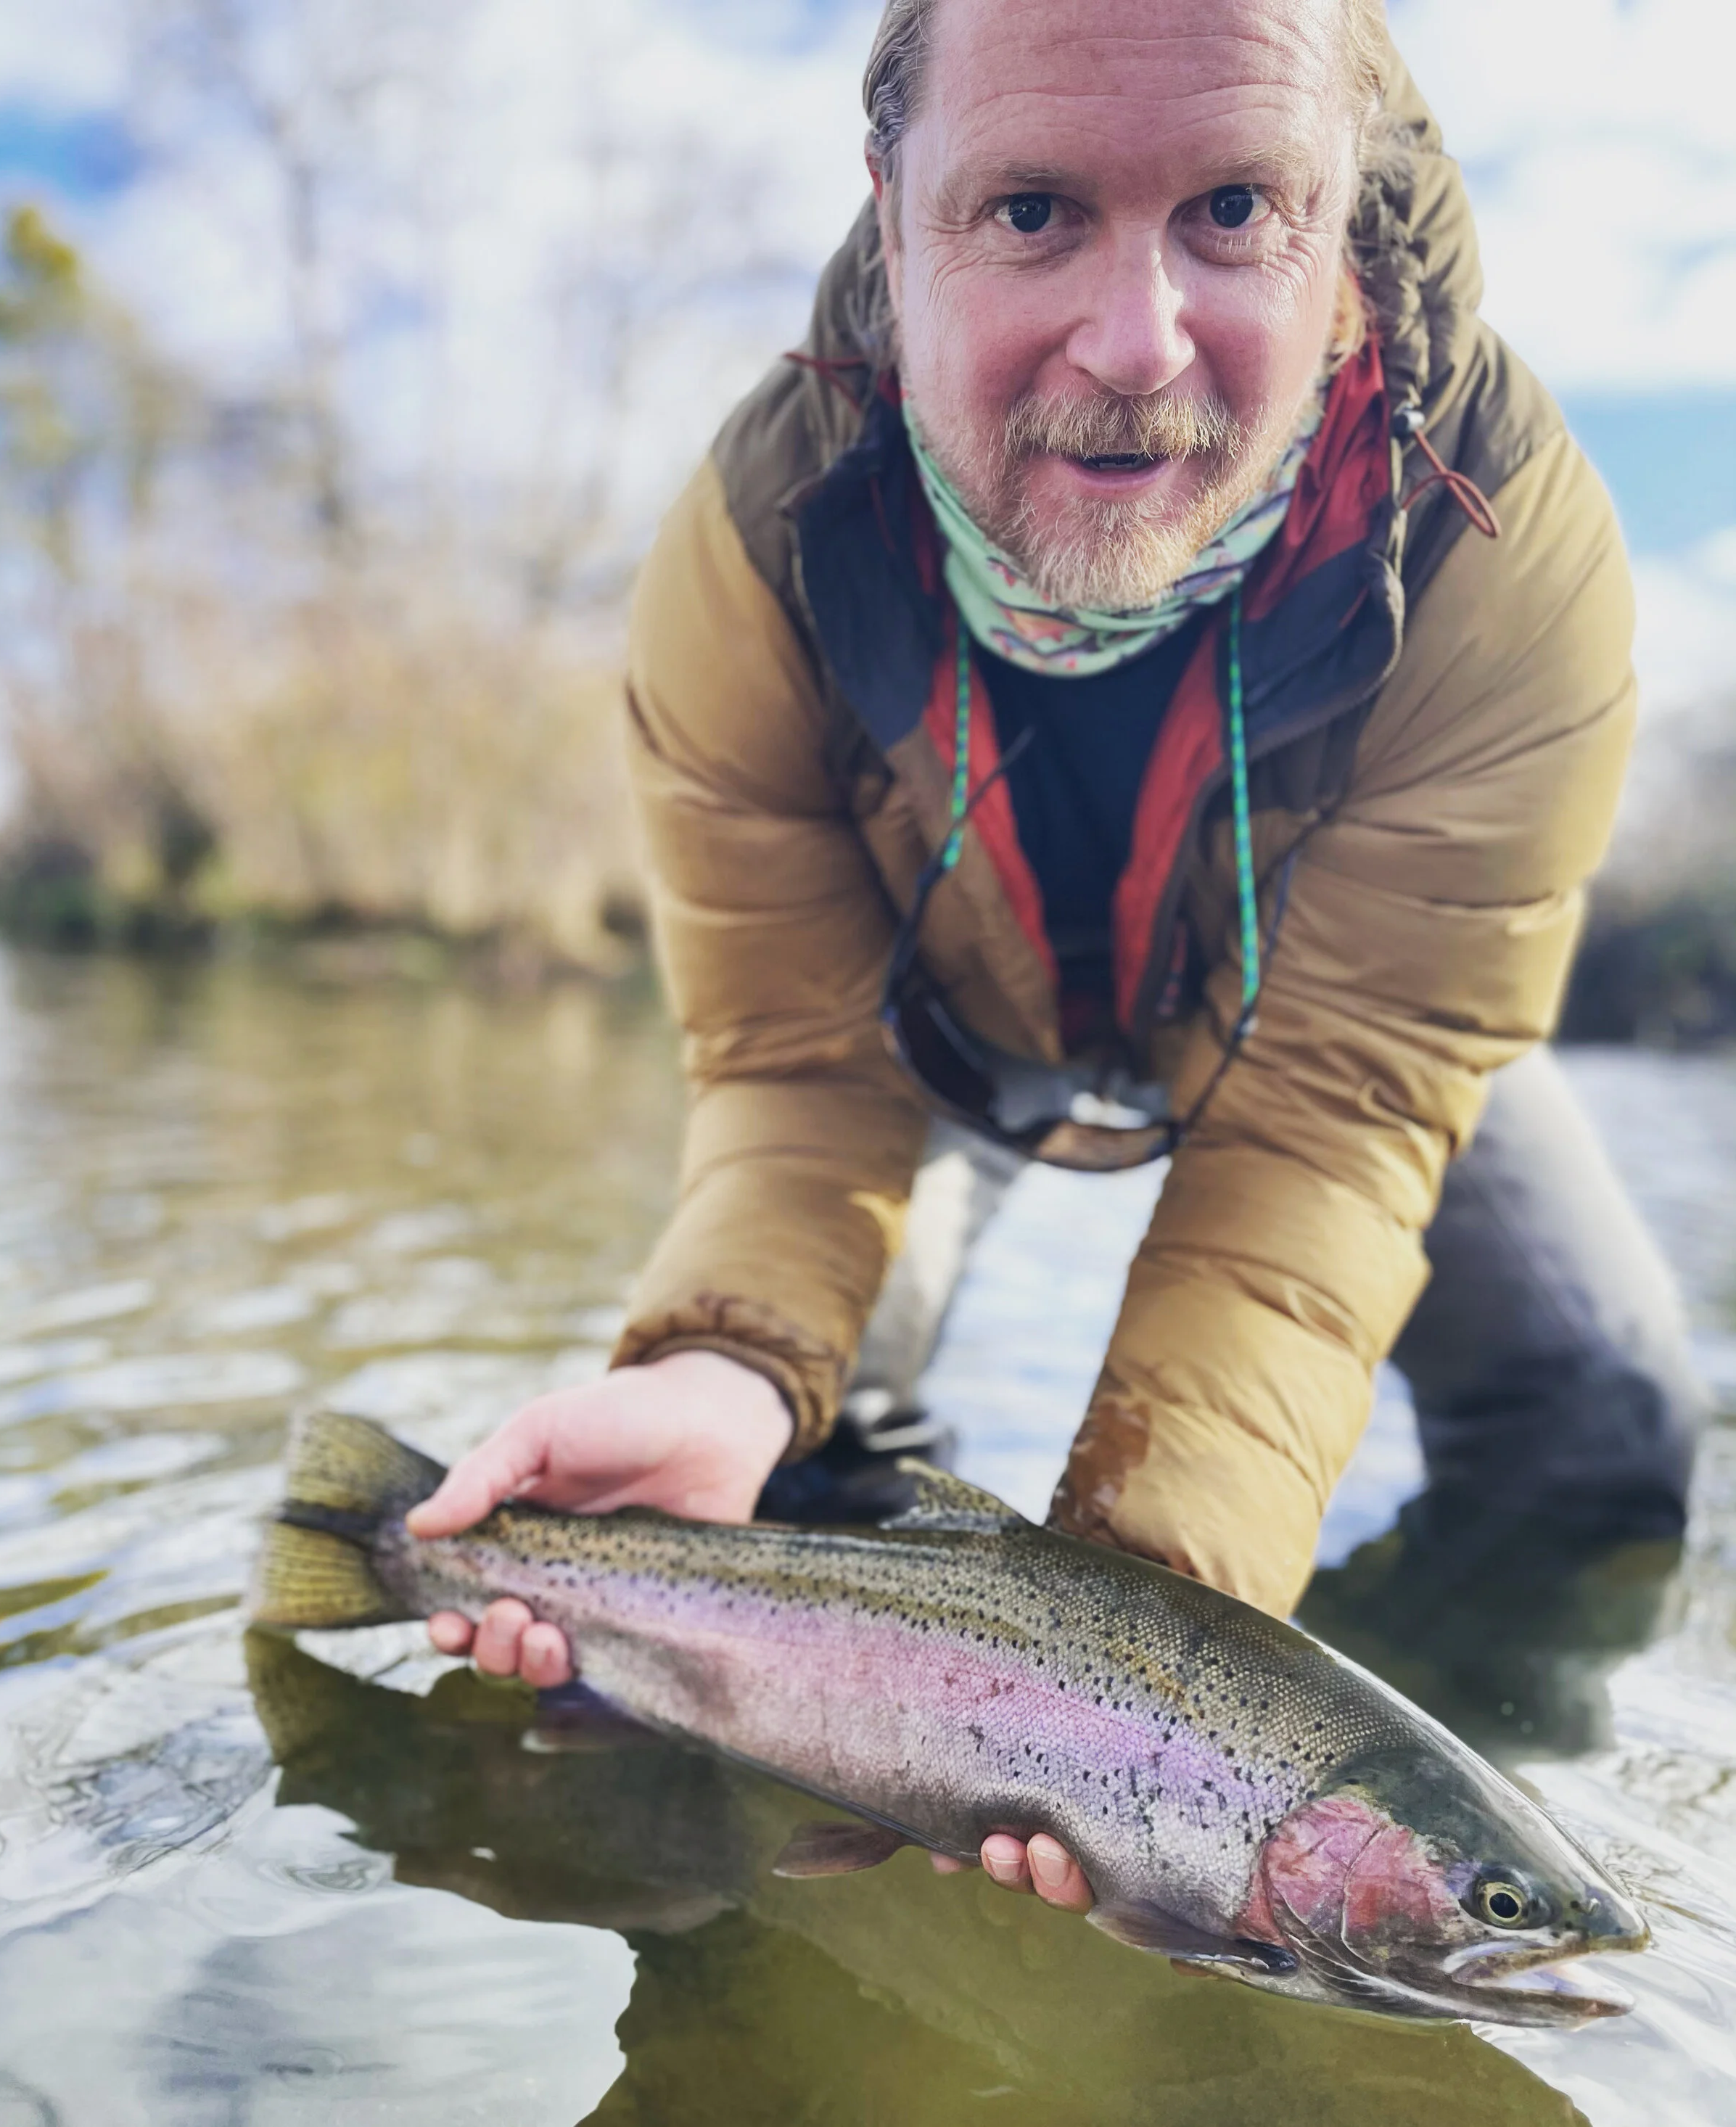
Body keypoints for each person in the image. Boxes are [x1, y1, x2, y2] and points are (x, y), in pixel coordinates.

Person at [408, 0, 1703, 1921]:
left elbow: (1352, 1100)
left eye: (1234, 207)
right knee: (793, 1444)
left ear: (1341, 216)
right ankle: (807, 1856)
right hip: (937, 1041)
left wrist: (1152, 1660)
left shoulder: (1498, 544)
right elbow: (794, 1065)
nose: (1133, 343)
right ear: (893, 206)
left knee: (1600, 1429)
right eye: (1027, 209)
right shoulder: (758, 545)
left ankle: (1422, 1876)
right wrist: (724, 1367)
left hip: (1322, 1039)